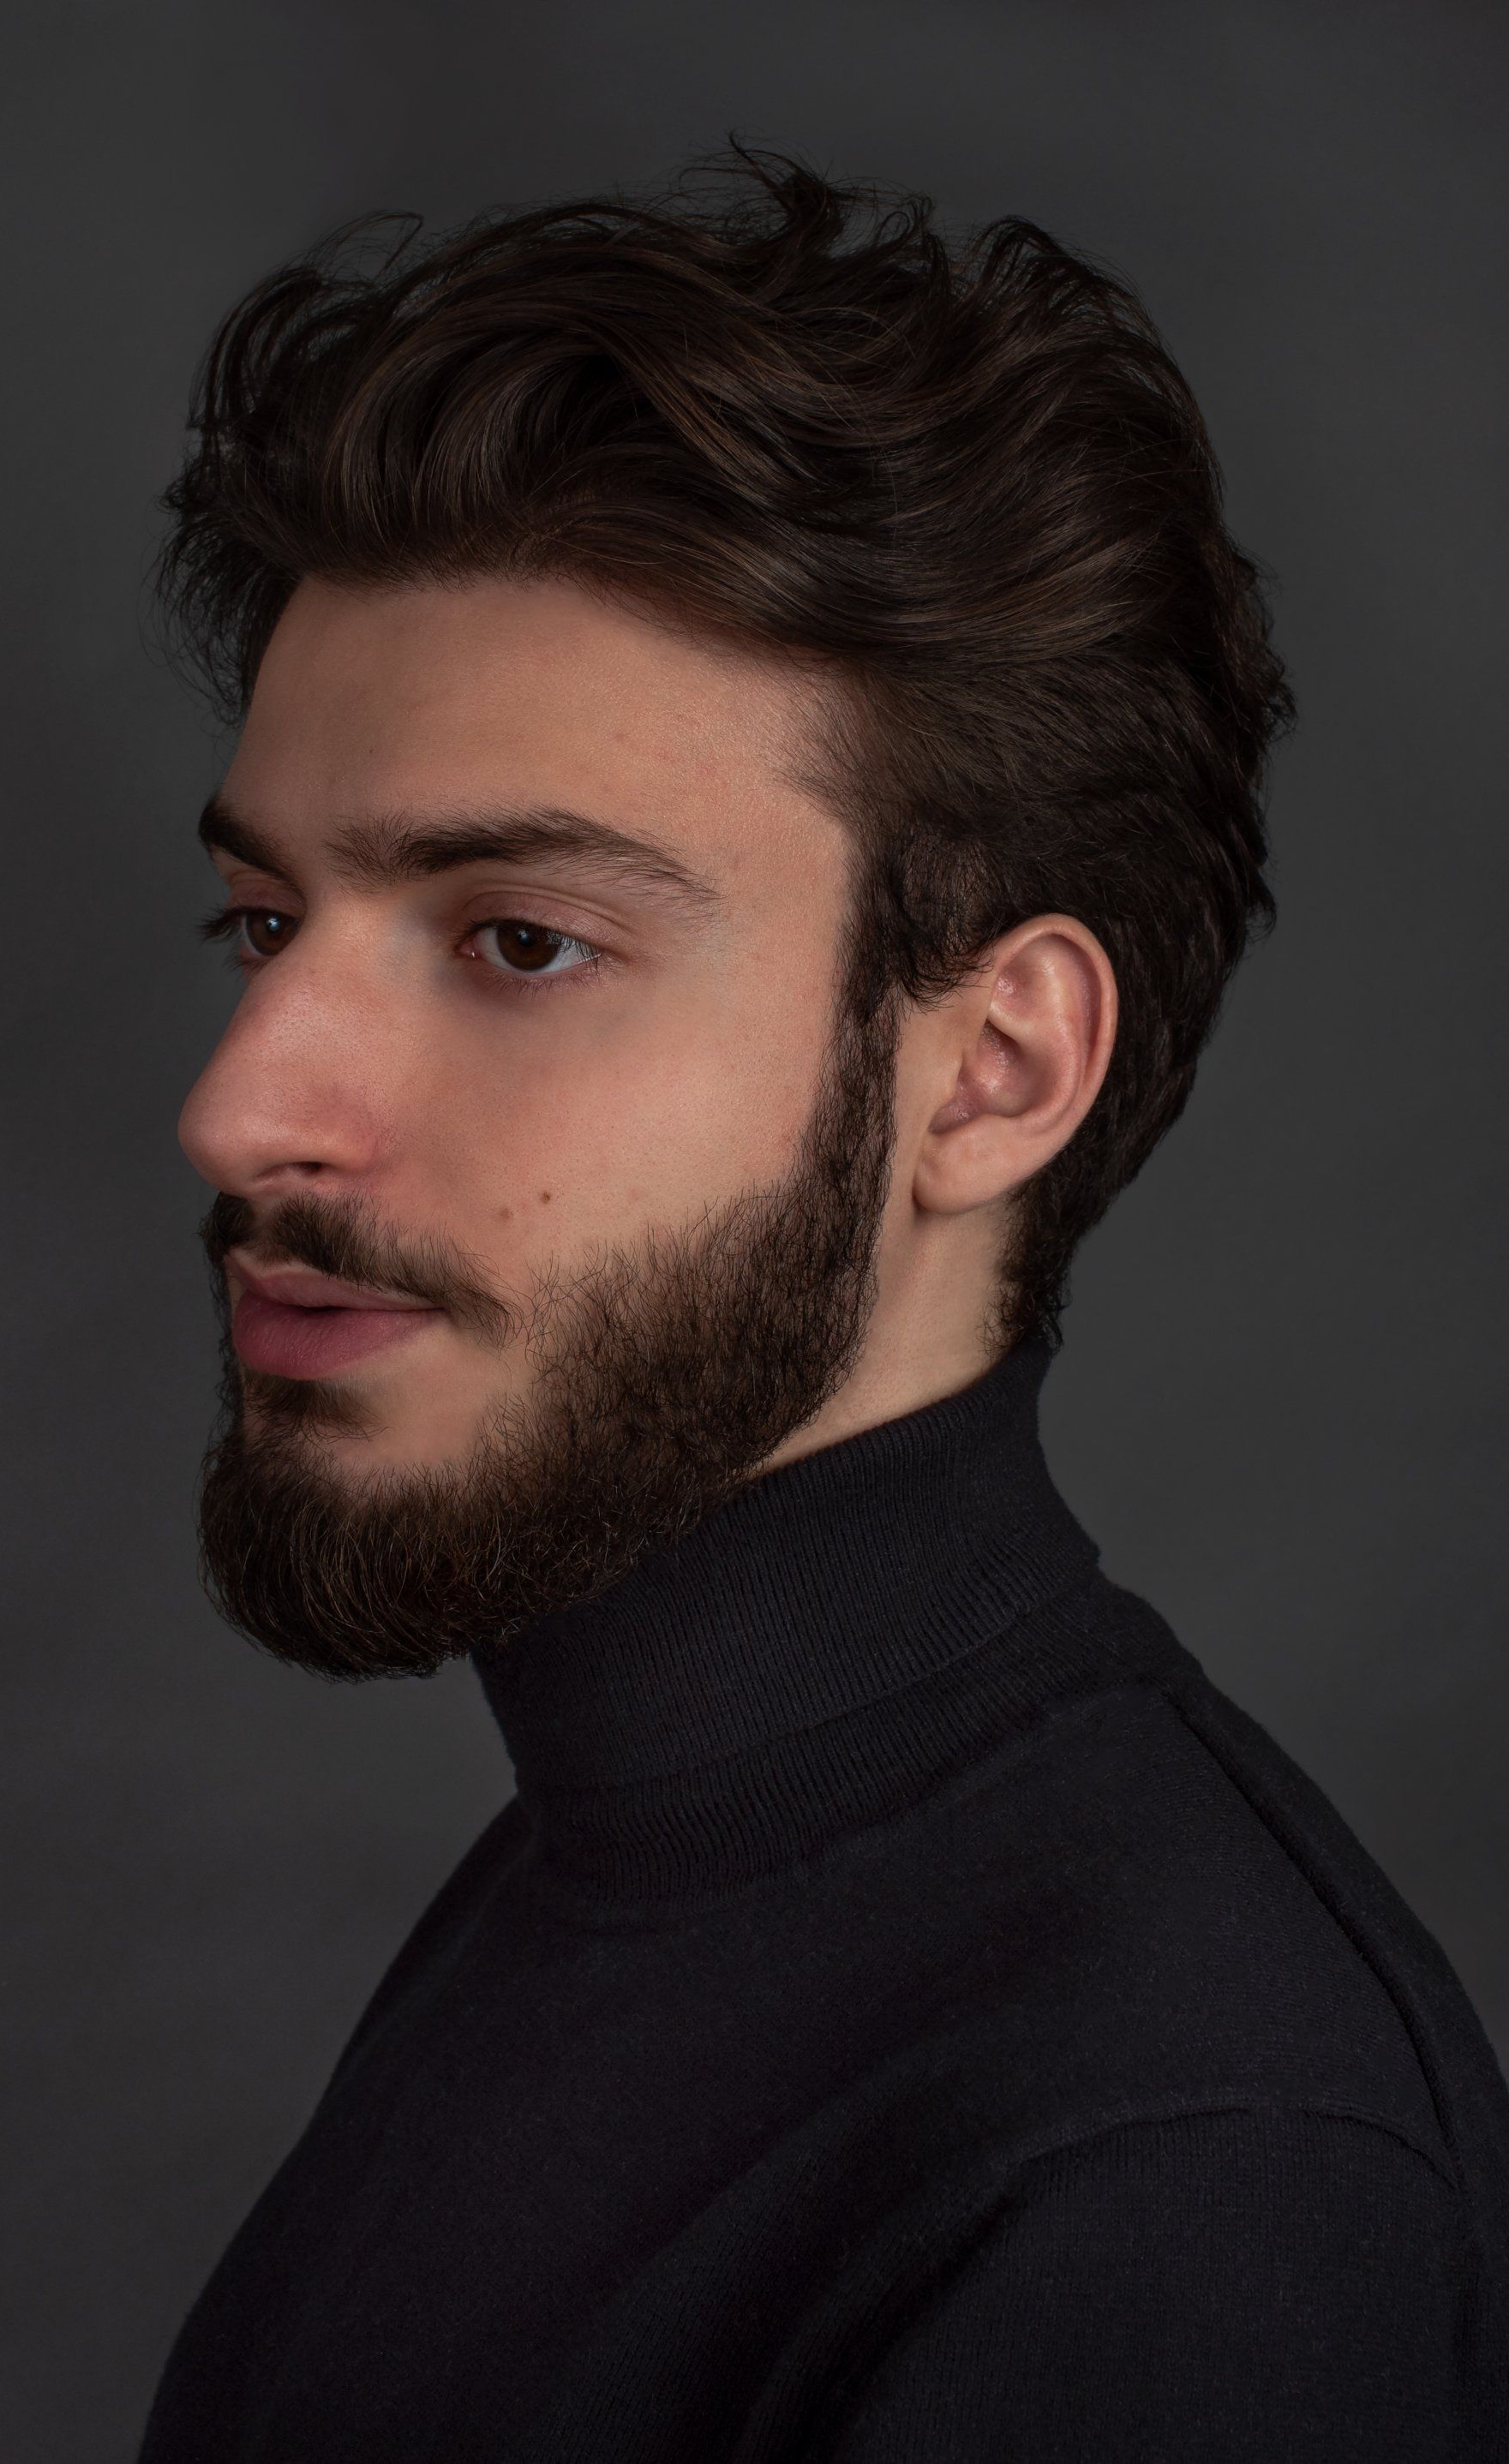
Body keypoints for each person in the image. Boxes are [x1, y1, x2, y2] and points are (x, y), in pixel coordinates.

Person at [136, 152, 1509, 2460]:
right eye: (268, 924)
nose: (244, 1104)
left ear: (992, 1070)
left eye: (518, 939)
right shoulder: (623, 1830)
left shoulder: (1182, 2179)